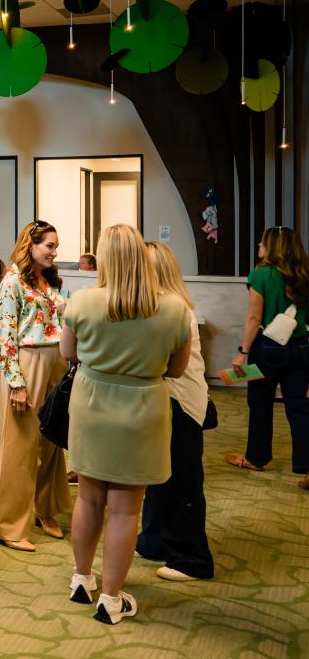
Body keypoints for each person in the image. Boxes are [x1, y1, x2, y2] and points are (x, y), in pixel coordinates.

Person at [62, 224, 191, 625]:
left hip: (92, 405)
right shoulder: (174, 310)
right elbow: (177, 368)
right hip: (142, 410)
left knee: (87, 498)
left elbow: (69, 353)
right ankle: (113, 600)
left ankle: (82, 579)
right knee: (124, 511)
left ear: (103, 258)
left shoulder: (82, 301)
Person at [136, 241, 215, 581]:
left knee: (182, 481)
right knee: (158, 477)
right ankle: (155, 540)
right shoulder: (170, 306)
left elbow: (167, 366)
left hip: (180, 403)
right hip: (174, 402)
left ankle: (191, 557)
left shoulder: (171, 310)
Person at [0, 220, 68, 552]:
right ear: (30, 245)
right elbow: (5, 337)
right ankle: (6, 525)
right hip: (28, 363)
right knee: (20, 448)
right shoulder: (11, 283)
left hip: (56, 362)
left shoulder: (47, 281)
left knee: (51, 444)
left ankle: (45, 511)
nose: (54, 252)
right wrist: (16, 383)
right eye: (49, 245)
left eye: (55, 247)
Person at [225, 226, 309, 486]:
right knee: (299, 407)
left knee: (260, 403)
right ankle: (307, 467)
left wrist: (242, 353)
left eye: (261, 242)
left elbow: (254, 318)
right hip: (303, 346)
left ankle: (257, 458)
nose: (258, 246)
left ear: (272, 247)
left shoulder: (260, 275)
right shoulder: (305, 273)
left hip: (268, 349)